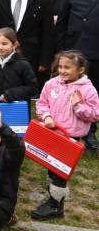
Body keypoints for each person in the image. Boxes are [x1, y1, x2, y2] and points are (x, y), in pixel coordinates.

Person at [32, 51, 99, 220]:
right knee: (51, 167)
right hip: (52, 133)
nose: (62, 70)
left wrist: (78, 107)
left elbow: (95, 114)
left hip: (70, 138)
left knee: (60, 172)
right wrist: (46, 117)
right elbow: (42, 103)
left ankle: (55, 206)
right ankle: (54, 200)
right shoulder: (52, 83)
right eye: (60, 66)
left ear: (81, 70)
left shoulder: (88, 90)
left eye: (67, 67)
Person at [57, 0, 99, 150]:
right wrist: (61, 51)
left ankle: (90, 133)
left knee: (93, 94)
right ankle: (69, 131)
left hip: (97, 51)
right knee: (71, 94)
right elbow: (63, 20)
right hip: (76, 51)